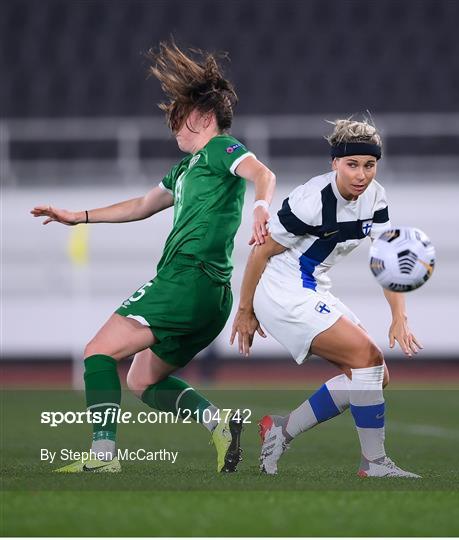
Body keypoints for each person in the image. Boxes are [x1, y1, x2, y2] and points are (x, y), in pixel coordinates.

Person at [31, 42, 276, 474]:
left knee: (97, 352)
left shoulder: (219, 150)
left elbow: (263, 173)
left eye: (177, 119)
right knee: (141, 380)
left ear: (201, 118)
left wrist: (261, 208)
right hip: (212, 296)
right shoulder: (184, 171)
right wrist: (79, 217)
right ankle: (218, 423)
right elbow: (143, 205)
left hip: (186, 279)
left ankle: (103, 457)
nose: (173, 130)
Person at [230, 118, 422, 478]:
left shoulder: (376, 196)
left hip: (312, 286)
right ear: (334, 163)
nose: (362, 174)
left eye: (369, 164)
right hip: (280, 290)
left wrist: (400, 316)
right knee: (367, 357)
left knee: (374, 377)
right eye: (352, 164)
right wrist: (245, 311)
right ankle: (374, 463)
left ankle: (281, 430)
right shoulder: (310, 201)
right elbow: (259, 254)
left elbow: (386, 258)